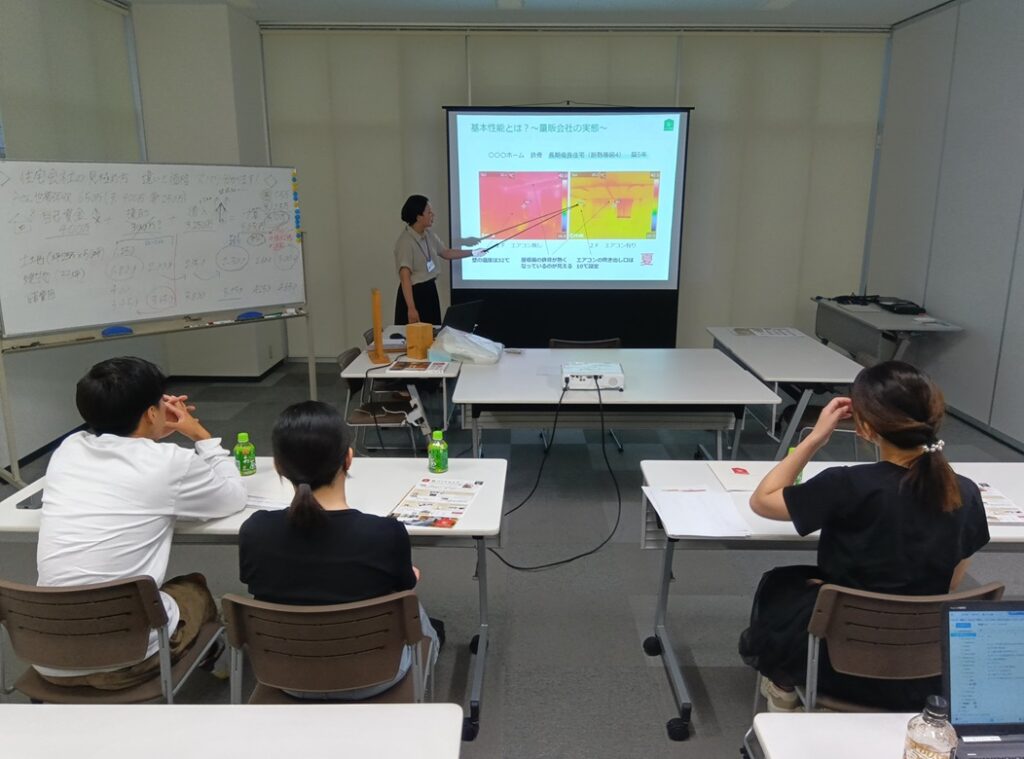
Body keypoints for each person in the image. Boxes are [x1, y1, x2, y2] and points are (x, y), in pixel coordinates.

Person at [739, 360, 990, 711]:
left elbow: (762, 501)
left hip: (837, 661)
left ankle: (783, 692)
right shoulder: (964, 491)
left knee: (782, 588)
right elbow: (952, 583)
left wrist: (814, 438)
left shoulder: (845, 484)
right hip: (922, 667)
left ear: (866, 428)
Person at [36, 356, 247, 689]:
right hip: (126, 662)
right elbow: (233, 496)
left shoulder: (68, 450)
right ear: (151, 413)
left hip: (49, 655)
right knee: (196, 589)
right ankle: (209, 652)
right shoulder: (168, 463)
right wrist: (199, 435)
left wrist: (150, 430)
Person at [238, 400, 440, 699]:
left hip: (286, 676)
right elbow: (403, 587)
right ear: (348, 458)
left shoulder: (254, 531)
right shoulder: (384, 533)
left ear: (279, 466)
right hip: (376, 676)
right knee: (408, 602)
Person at [393, 194, 481, 326]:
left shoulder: (428, 234)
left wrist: (473, 253)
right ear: (418, 217)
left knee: (432, 332)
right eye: (429, 212)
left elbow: (446, 252)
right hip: (415, 295)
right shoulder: (405, 242)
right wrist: (411, 308)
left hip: (429, 291)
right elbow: (405, 278)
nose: (432, 215)